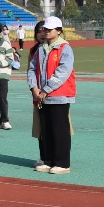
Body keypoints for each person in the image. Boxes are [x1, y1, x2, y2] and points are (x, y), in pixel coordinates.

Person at [29, 16, 75, 174]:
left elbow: (62, 72)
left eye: (49, 29)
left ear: (59, 31)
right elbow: (32, 68)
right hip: (42, 96)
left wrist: (46, 89)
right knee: (46, 129)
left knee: (59, 130)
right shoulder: (41, 48)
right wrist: (34, 87)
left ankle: (62, 163)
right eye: (45, 29)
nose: (46, 32)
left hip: (59, 95)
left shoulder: (64, 48)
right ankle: (48, 160)